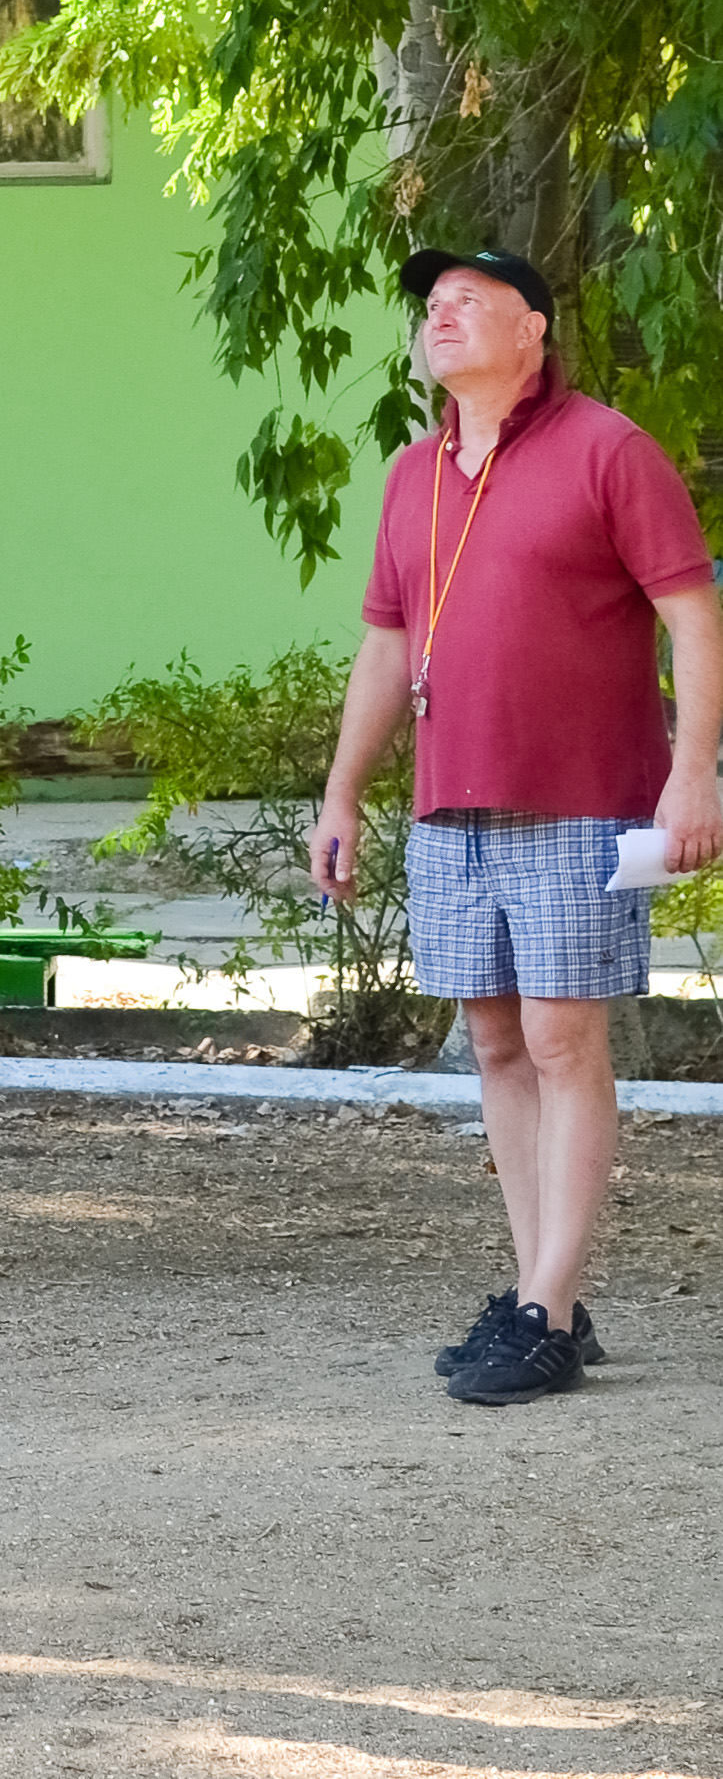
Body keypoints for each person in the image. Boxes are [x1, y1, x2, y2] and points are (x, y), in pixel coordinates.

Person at [315, 248, 721, 1407]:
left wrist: (694, 773)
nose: (437, 315)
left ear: (531, 329)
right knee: (494, 1039)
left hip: (582, 799)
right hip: (450, 805)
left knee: (558, 1040)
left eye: (467, 301)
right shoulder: (413, 472)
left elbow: (693, 617)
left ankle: (544, 1306)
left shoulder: (608, 449)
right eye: (431, 305)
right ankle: (549, 1293)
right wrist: (342, 790)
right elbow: (386, 648)